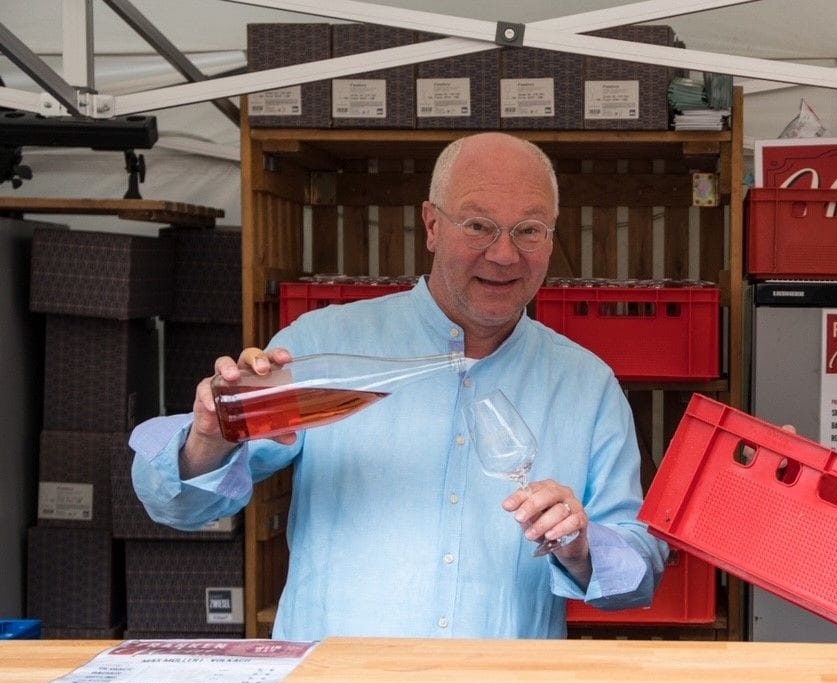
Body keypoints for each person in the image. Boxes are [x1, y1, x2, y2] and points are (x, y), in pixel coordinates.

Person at [131, 132, 667, 640]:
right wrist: (210, 436)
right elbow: (179, 508)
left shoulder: (586, 384)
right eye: (478, 225)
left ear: (552, 236)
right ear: (432, 226)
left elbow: (639, 575)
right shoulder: (321, 343)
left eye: (529, 230)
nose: (505, 255)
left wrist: (579, 547)